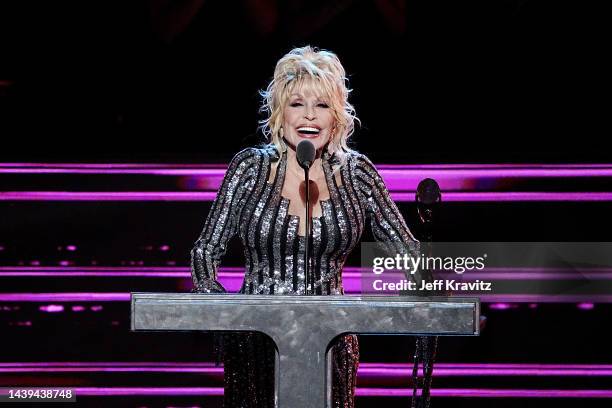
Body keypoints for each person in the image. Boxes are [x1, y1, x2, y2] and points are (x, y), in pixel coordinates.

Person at [190, 45, 423, 408]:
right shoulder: (249, 167)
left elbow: (407, 252)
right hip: (255, 343)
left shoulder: (357, 172)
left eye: (322, 105)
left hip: (330, 343)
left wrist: (440, 295)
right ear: (280, 112)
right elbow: (205, 250)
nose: (309, 116)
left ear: (337, 116)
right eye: (298, 103)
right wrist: (222, 311)